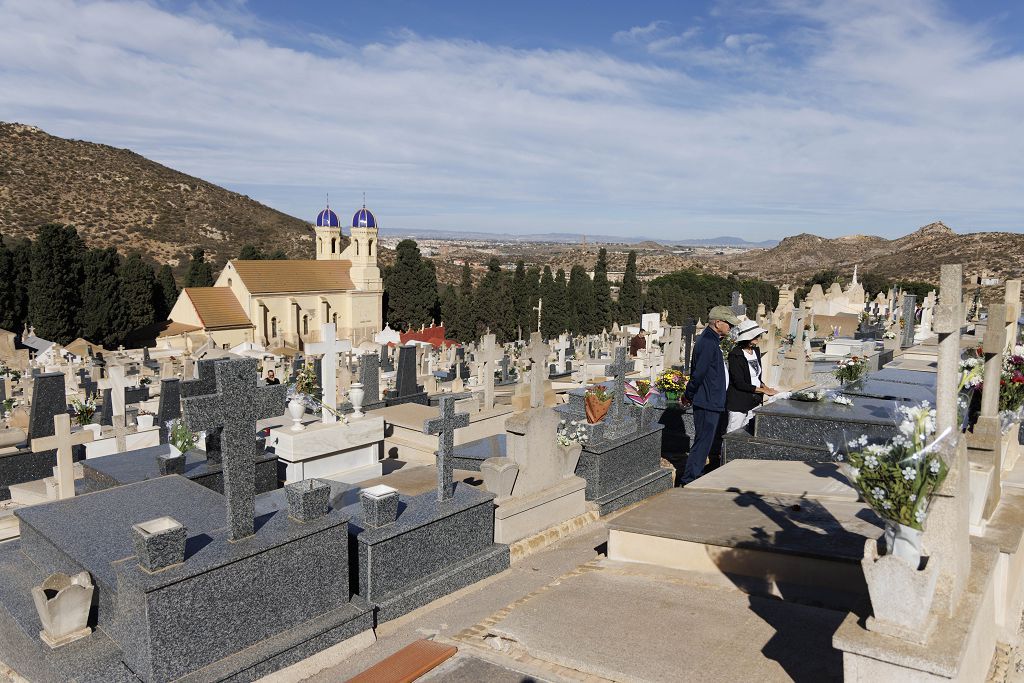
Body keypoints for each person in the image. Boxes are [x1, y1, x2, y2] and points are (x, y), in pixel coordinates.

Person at [680, 305, 740, 486]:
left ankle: (694, 476)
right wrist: (688, 394)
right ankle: (690, 479)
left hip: (712, 399)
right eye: (728, 323)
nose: (730, 327)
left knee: (705, 442)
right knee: (703, 442)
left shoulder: (712, 340)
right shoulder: (707, 342)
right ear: (718, 322)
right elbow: (699, 373)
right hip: (707, 400)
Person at [726, 320, 778, 433]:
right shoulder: (736, 355)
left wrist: (766, 388)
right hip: (739, 402)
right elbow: (739, 383)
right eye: (756, 335)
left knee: (748, 432)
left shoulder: (755, 351)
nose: (758, 337)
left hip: (753, 401)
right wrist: (764, 390)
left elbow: (756, 377)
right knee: (733, 432)